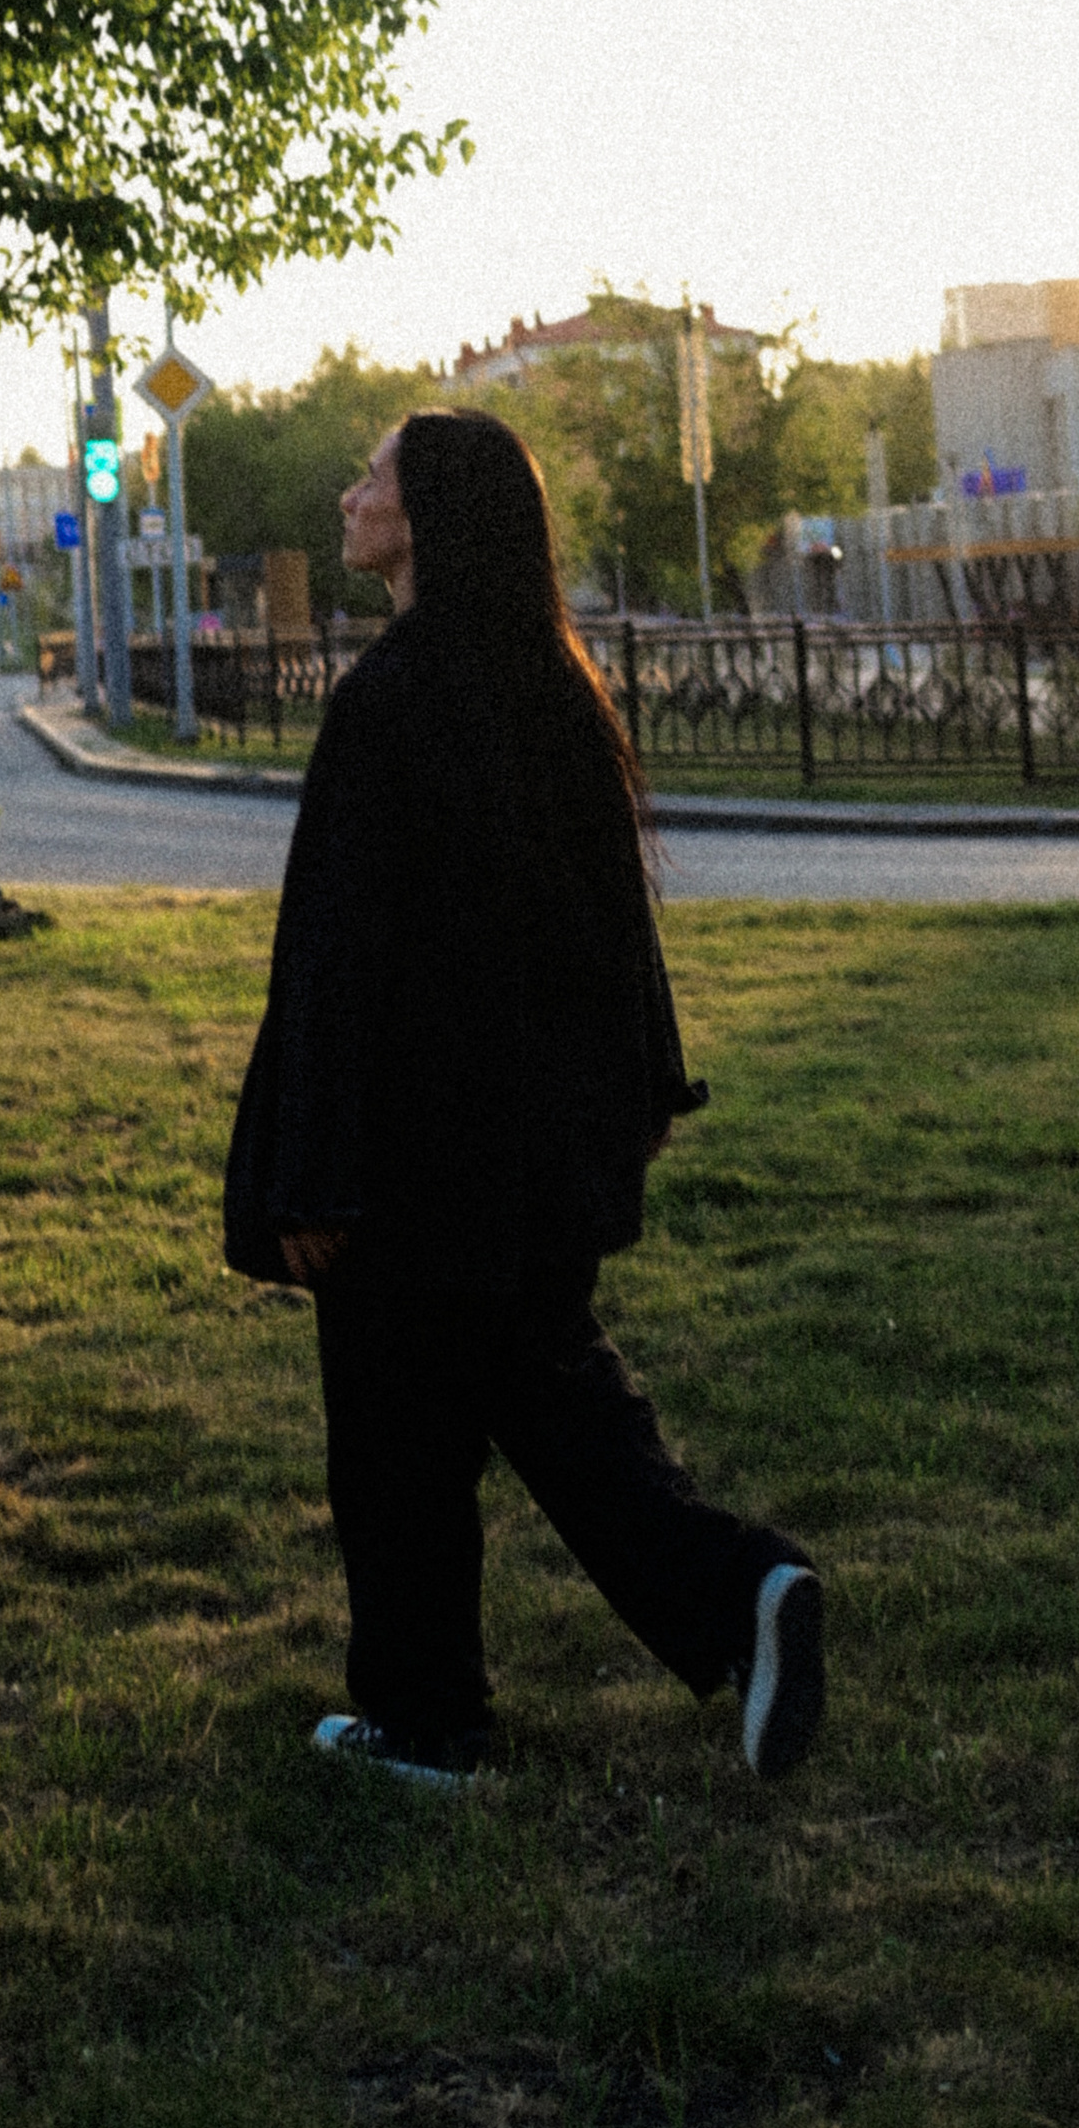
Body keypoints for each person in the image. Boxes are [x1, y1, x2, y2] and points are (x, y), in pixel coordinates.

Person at [223, 408, 825, 1792]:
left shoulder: (387, 700)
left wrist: (306, 1172)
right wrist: (645, 1088)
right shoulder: (557, 687)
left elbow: (333, 956)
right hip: (539, 1147)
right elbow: (622, 924)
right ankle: (744, 1594)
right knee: (552, 1400)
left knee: (395, 1443)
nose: (349, 489)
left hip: (406, 1155)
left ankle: (428, 1723)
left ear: (423, 514)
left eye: (371, 473)